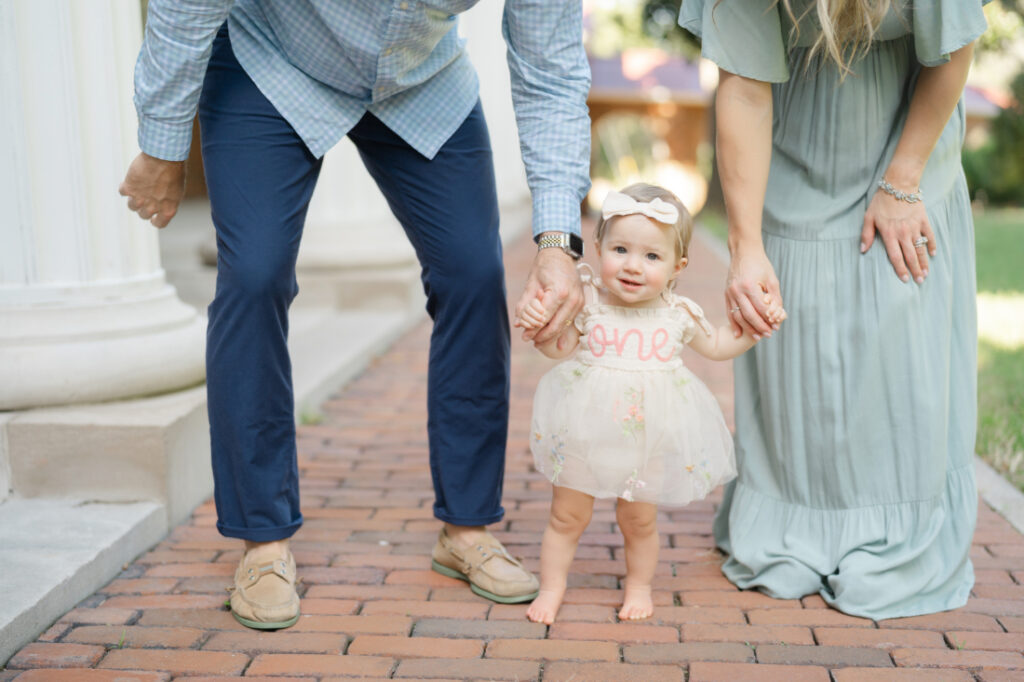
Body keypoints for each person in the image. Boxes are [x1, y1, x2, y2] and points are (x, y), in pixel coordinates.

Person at [118, 0, 591, 629]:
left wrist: (558, 242)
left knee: (474, 275)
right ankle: (262, 543)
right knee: (254, 276)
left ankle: (466, 530)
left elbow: (551, 69)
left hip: (418, 79)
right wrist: (162, 143)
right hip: (274, 60)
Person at [679, 0, 988, 619]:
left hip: (908, 143)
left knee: (895, 343)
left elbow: (953, 50)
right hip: (793, 153)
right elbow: (742, 86)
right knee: (803, 353)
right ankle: (795, 525)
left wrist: (903, 181)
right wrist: (745, 246)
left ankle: (900, 531)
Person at [515, 184, 782, 624]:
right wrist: (539, 326)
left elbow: (716, 344)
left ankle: (638, 586)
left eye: (652, 257)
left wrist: (754, 328)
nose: (633, 266)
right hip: (584, 433)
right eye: (620, 249)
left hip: (647, 438)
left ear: (677, 267)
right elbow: (559, 347)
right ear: (598, 247)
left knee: (638, 521)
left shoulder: (677, 313)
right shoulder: (589, 304)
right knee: (566, 516)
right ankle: (551, 587)